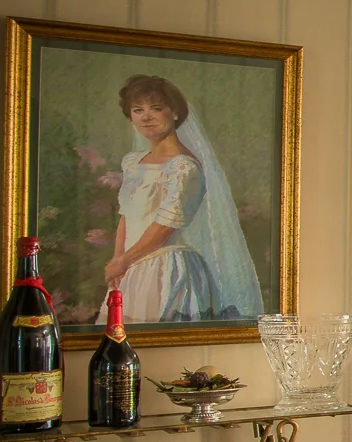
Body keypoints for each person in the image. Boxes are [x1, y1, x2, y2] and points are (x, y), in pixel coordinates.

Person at [100, 74, 263, 323]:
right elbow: (127, 215)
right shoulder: (133, 162)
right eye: (137, 110)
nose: (146, 116)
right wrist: (116, 259)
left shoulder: (184, 167)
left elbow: (165, 226)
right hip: (129, 268)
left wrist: (124, 260)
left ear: (175, 113)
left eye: (156, 108)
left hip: (164, 268)